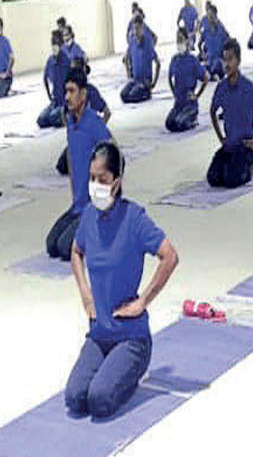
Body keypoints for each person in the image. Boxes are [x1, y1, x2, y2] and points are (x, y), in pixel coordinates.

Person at [66, 141, 179, 419]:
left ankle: (135, 366)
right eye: (92, 179)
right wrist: (86, 294)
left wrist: (143, 301)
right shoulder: (89, 216)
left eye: (102, 180)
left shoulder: (134, 218)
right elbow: (76, 251)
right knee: (75, 398)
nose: (95, 185)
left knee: (99, 401)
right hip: (99, 333)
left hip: (131, 337)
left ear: (116, 182)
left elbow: (170, 256)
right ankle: (110, 366)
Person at [47, 68, 113, 261]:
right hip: (78, 204)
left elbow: (115, 156)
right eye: (65, 91)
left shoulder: (94, 122)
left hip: (94, 206)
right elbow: (71, 156)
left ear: (83, 94)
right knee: (52, 246)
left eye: (72, 91)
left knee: (65, 248)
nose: (67, 96)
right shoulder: (70, 122)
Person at [208, 39, 253, 188]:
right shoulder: (221, 88)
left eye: (230, 59)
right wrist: (221, 138)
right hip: (229, 145)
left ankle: (247, 169)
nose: (226, 64)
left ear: (238, 61)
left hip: (245, 146)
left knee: (231, 180)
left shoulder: (248, 88)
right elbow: (212, 111)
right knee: (213, 179)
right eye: (224, 59)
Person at [55, 50, 111, 176]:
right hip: (77, 140)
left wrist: (97, 128)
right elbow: (64, 112)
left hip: (91, 141)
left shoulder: (91, 92)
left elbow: (107, 112)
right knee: (62, 165)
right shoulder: (70, 94)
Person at [166, 30, 209, 132]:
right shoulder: (175, 60)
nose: (179, 42)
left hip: (189, 102)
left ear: (187, 41)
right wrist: (174, 92)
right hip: (179, 103)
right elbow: (170, 78)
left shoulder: (192, 60)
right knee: (170, 124)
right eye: (177, 40)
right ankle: (182, 115)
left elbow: (206, 78)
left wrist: (197, 95)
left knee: (180, 124)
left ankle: (193, 118)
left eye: (181, 39)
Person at [121, 17, 160, 103]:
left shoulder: (148, 44)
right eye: (134, 28)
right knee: (123, 95)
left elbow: (158, 63)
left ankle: (146, 93)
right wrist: (129, 75)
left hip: (144, 82)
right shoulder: (132, 42)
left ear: (142, 29)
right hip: (135, 80)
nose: (135, 31)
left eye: (137, 28)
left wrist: (153, 82)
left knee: (134, 95)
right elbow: (126, 58)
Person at [37, 29, 71, 129]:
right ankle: (58, 114)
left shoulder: (66, 61)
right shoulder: (50, 60)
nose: (54, 47)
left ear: (61, 44)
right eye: (53, 43)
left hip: (65, 101)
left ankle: (66, 114)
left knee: (53, 117)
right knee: (41, 120)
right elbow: (45, 79)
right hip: (55, 101)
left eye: (56, 43)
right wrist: (50, 96)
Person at [198, 2, 230, 80]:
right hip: (209, 61)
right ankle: (212, 76)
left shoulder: (221, 29)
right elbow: (199, 44)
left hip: (219, 61)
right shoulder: (206, 31)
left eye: (211, 15)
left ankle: (214, 75)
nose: (209, 18)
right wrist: (203, 54)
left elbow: (229, 43)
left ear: (215, 15)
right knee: (198, 68)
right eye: (208, 16)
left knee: (218, 65)